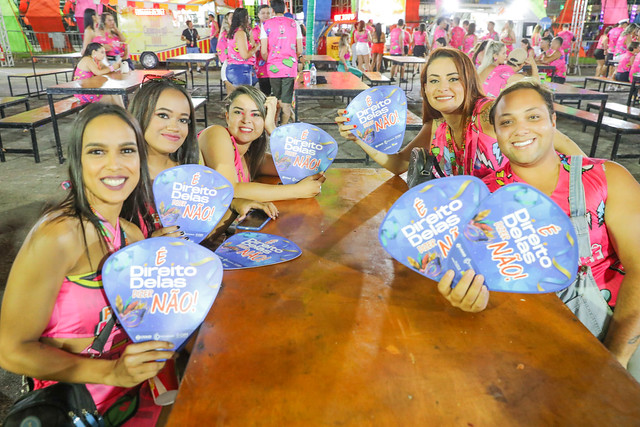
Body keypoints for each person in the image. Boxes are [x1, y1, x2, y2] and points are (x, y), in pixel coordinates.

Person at [436, 80, 640, 381]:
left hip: (618, 334)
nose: (520, 129)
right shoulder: (481, 201)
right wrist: (470, 300)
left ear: (553, 122)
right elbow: (476, 279)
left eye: (533, 117)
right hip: (525, 346)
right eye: (507, 121)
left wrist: (614, 363)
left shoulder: (606, 179)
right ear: (496, 132)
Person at [0, 103, 172, 425]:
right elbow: (11, 350)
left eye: (126, 150)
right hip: (74, 406)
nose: (114, 164)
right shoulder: (57, 236)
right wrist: (111, 372)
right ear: (77, 162)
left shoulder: (131, 234)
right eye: (96, 151)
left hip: (133, 396)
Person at [335, 47, 582, 178]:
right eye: (433, 81)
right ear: (424, 88)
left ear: (468, 81)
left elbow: (562, 143)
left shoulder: (489, 114)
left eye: (453, 79)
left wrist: (597, 188)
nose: (442, 88)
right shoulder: (437, 126)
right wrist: (359, 138)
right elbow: (399, 163)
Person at [128, 78, 277, 242]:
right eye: (163, 115)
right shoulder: (123, 179)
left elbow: (199, 239)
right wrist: (148, 244)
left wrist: (234, 206)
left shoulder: (189, 172)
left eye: (183, 120)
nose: (174, 127)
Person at [199, 85, 325, 202]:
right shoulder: (216, 134)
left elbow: (307, 167)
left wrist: (272, 128)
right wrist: (298, 191)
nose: (246, 120)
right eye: (238, 112)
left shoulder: (251, 158)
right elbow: (230, 189)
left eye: (256, 114)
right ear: (227, 117)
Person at [260, 0, 303, 125]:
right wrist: (291, 58)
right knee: (286, 102)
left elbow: (263, 51)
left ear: (272, 10)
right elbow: (299, 49)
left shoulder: (266, 25)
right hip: (289, 68)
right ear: (284, 9)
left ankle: (272, 128)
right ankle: (283, 128)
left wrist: (271, 60)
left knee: (275, 99)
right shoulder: (294, 24)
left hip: (273, 67)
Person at [226, 8, 260, 87]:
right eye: (248, 17)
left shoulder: (234, 31)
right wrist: (257, 47)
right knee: (244, 97)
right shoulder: (240, 33)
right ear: (244, 18)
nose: (249, 19)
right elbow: (245, 55)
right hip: (240, 69)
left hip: (235, 68)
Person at [254, 5, 272, 96]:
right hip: (262, 68)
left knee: (277, 95)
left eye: (268, 13)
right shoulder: (254, 31)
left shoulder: (275, 30)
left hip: (275, 67)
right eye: (263, 13)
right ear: (258, 15)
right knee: (265, 94)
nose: (266, 15)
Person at [217, 12, 234, 95]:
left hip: (237, 65)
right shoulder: (224, 35)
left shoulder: (237, 32)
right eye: (231, 18)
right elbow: (221, 52)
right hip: (229, 66)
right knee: (231, 93)